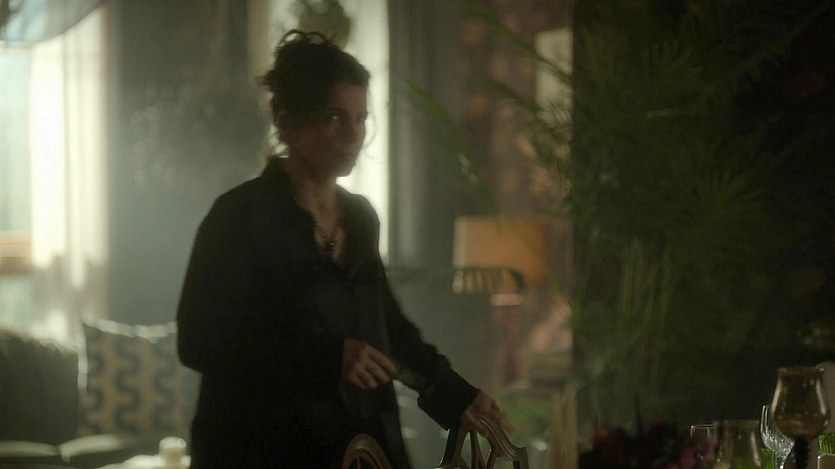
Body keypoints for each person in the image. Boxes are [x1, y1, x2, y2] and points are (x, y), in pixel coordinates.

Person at [176, 30, 511, 468]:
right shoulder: (240, 217)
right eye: (334, 117)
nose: (353, 135)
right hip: (258, 445)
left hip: (356, 443)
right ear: (287, 121)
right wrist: (327, 358)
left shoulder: (359, 217)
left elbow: (387, 327)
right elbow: (199, 341)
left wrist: (457, 395)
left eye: (361, 118)